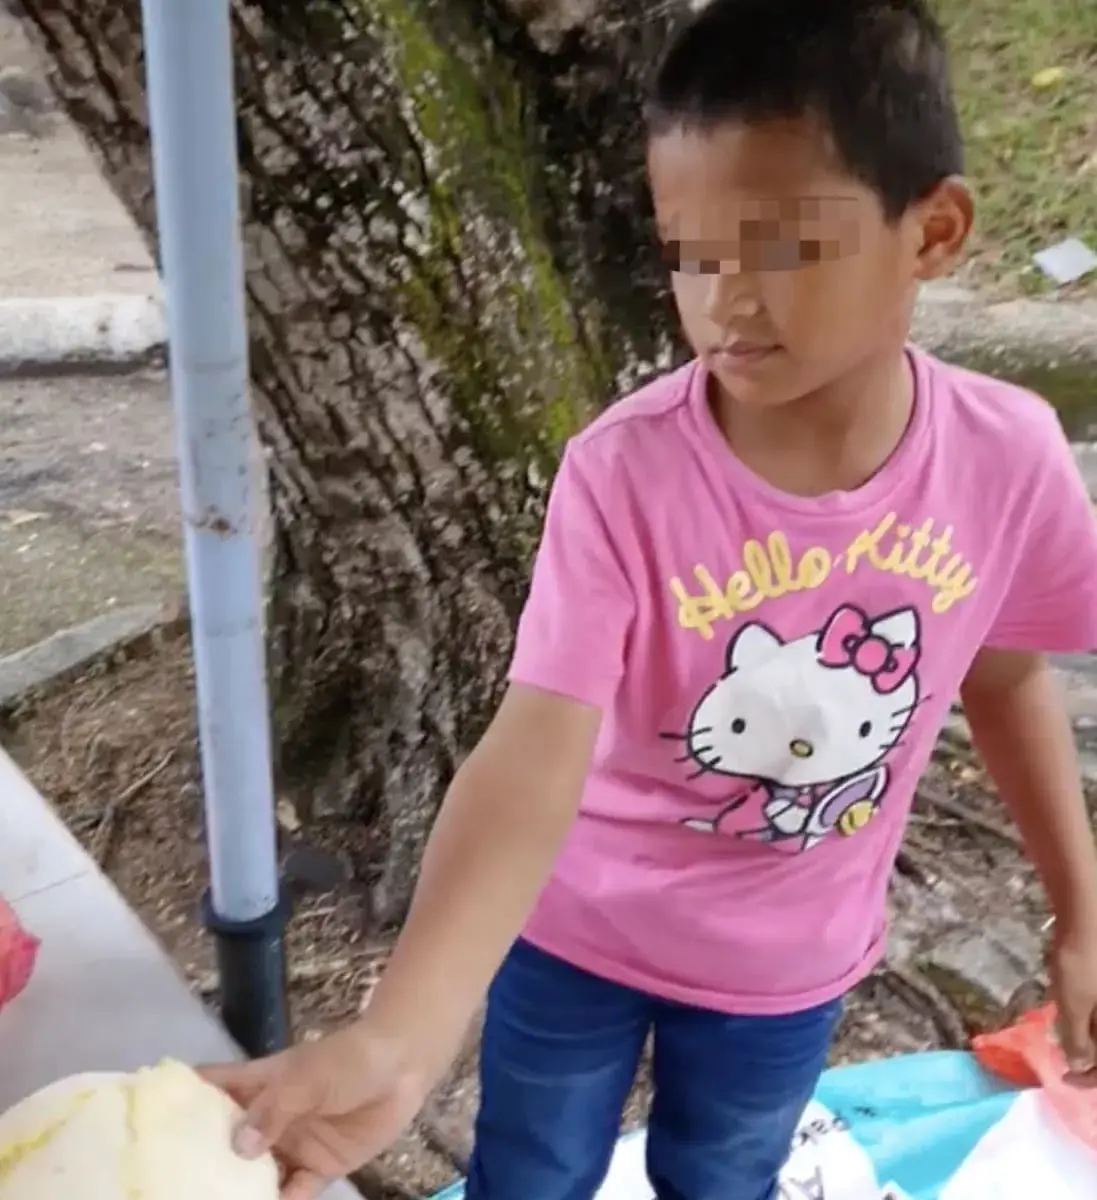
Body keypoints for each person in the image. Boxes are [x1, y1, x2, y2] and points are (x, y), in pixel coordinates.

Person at [201, 1, 1097, 1197]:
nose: (723, 301)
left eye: (783, 247)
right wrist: (399, 1037)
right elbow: (533, 746)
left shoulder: (1007, 456)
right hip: (575, 934)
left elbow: (1004, 669)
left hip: (789, 969)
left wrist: (1079, 910)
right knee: (529, 1168)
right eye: (689, 252)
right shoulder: (623, 472)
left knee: (722, 1174)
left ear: (931, 230)